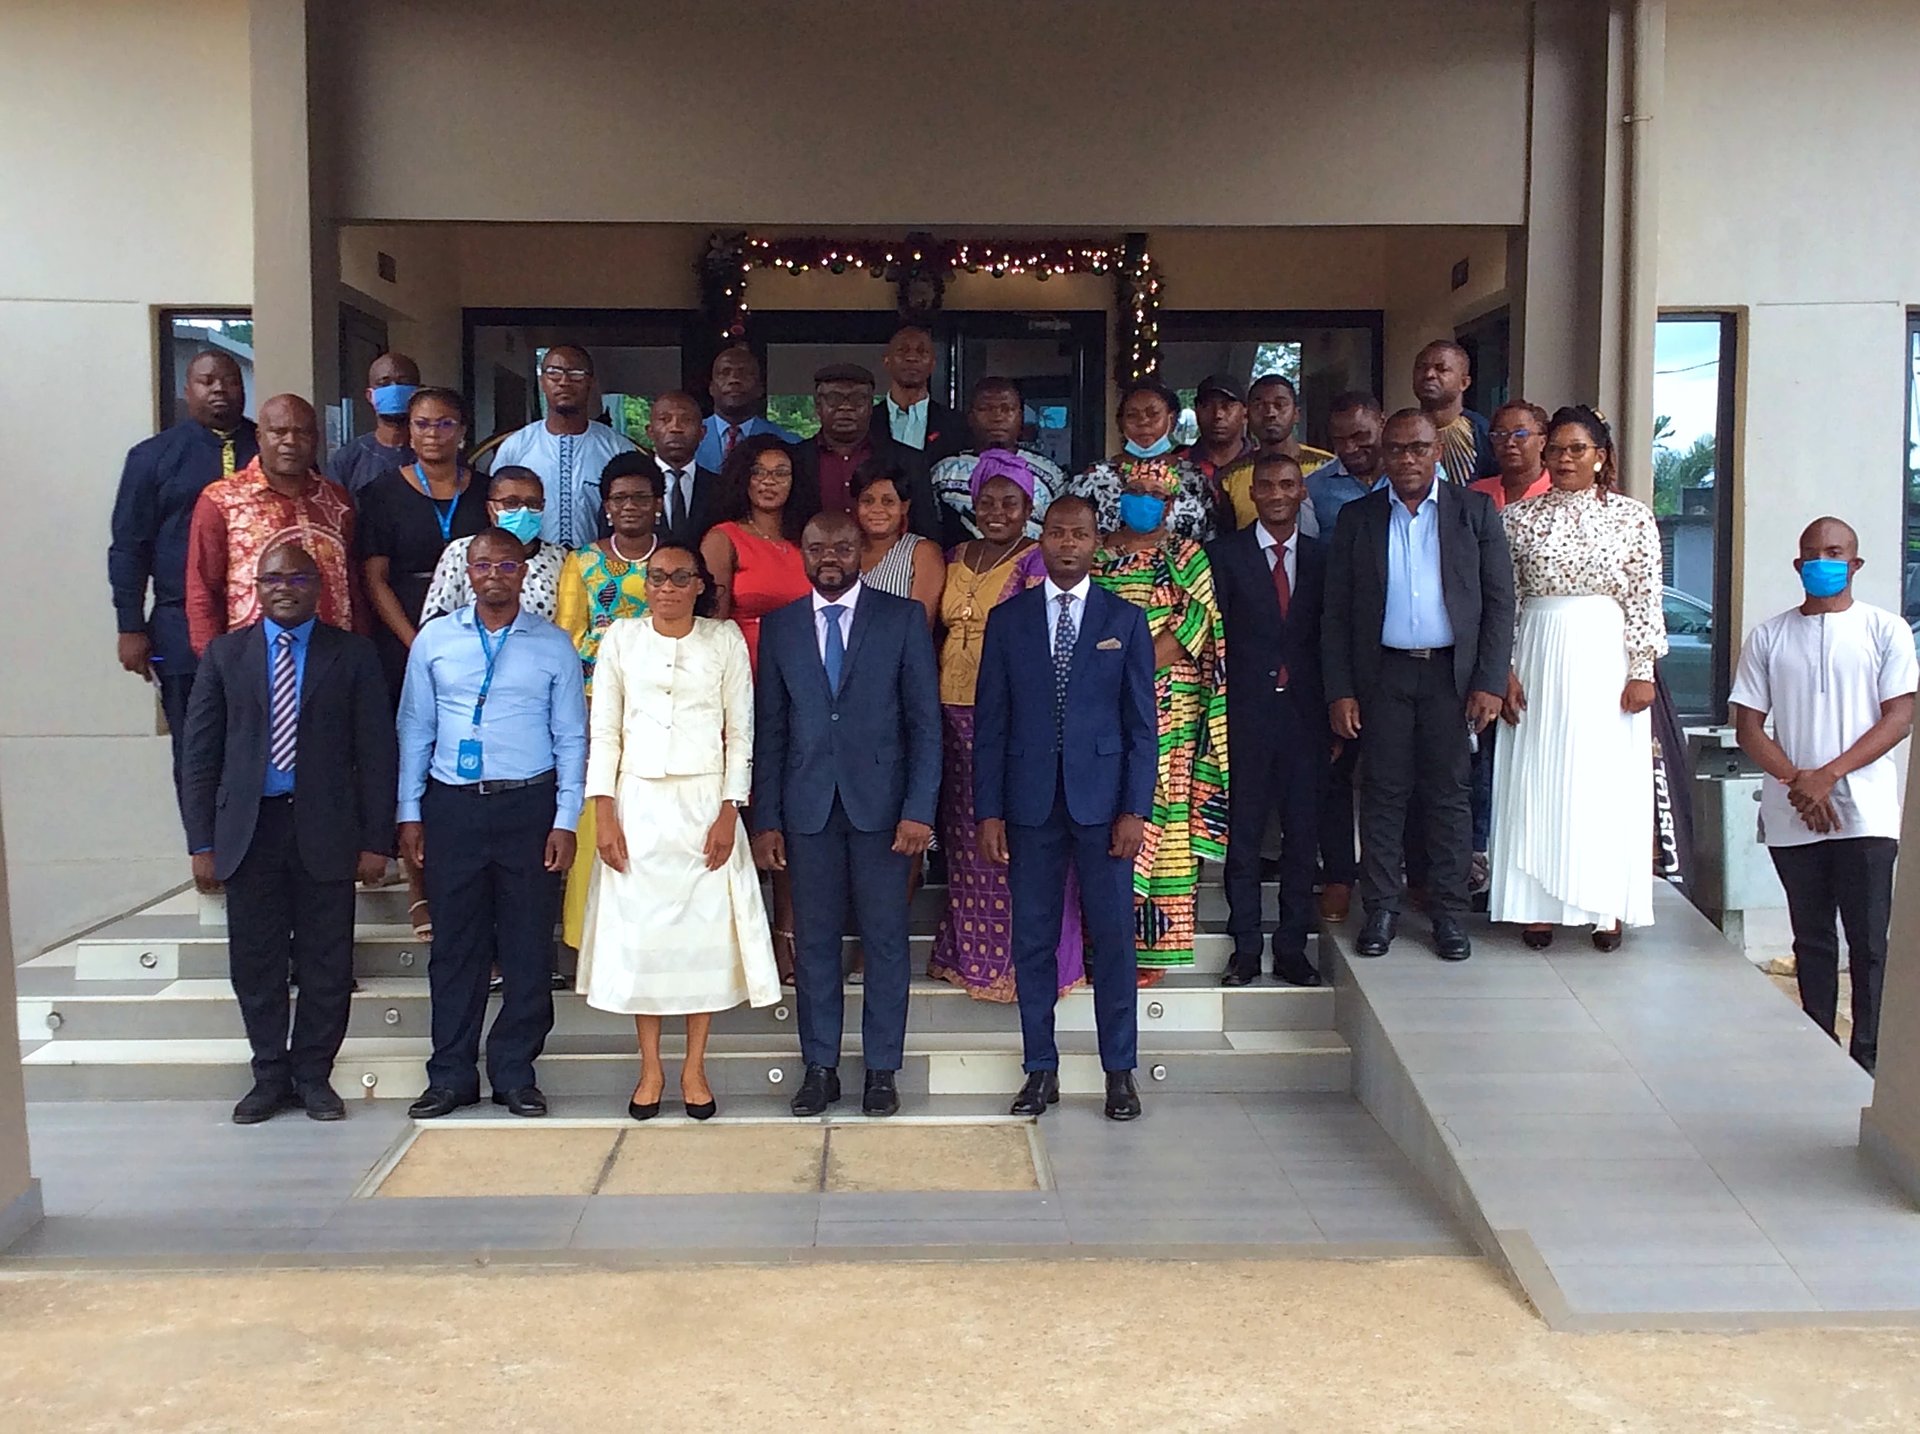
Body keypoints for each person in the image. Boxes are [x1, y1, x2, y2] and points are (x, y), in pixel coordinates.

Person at [181, 543, 396, 1124]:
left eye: (298, 578)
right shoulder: (226, 656)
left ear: (318, 587)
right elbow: (199, 756)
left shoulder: (351, 654)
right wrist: (202, 842)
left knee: (328, 961)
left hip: (326, 828)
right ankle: (269, 1076)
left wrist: (376, 840)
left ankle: (314, 1075)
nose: (284, 588)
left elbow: (377, 752)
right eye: (273, 579)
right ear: (256, 587)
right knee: (256, 963)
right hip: (249, 831)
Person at [576, 542, 780, 1120]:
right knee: (646, 941)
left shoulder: (724, 639)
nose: (666, 587)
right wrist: (604, 810)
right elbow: (605, 729)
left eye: (679, 577)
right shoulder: (621, 638)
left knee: (700, 942)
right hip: (637, 804)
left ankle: (694, 1067)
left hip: (705, 804)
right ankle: (650, 1068)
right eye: (657, 577)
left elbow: (741, 731)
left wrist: (730, 810)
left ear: (699, 584)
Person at [750, 512, 941, 1118]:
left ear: (862, 552)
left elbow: (925, 724)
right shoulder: (780, 626)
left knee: (885, 942)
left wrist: (919, 810)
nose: (829, 557)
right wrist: (766, 819)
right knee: (814, 943)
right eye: (816, 548)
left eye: (841, 547)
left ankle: (882, 1070)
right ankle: (820, 1067)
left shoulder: (901, 617)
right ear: (802, 554)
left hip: (885, 813)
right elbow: (771, 729)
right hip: (807, 810)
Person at [974, 494, 1156, 1121]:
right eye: (1057, 533)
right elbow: (991, 724)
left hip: (1104, 809)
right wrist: (989, 812)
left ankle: (1120, 1074)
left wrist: (1135, 809)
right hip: (1029, 806)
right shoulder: (1009, 619)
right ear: (1041, 539)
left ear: (1096, 543)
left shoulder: (1124, 619)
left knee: (1114, 940)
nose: (1068, 544)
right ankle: (1039, 1069)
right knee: (1033, 940)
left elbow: (1141, 726)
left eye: (1079, 534)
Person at [398, 529, 587, 1119]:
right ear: (468, 573)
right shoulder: (435, 640)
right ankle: (450, 1075)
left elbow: (571, 737)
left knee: (528, 946)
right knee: (455, 947)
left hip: (529, 806)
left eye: (507, 565)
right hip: (453, 806)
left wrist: (566, 818)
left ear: (523, 572)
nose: (495, 576)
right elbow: (415, 727)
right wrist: (409, 811)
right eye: (483, 566)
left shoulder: (553, 645)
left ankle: (514, 1072)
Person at [1323, 410, 1514, 962]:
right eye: (1397, 449)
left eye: (1419, 448)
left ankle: (1448, 912)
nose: (1407, 459)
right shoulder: (1359, 517)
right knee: (1382, 793)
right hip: (1382, 673)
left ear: (1437, 452)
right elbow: (1336, 612)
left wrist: (1489, 680)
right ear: (1383, 454)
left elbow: (1499, 602)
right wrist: (1340, 689)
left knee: (1449, 795)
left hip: (1450, 675)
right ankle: (1381, 908)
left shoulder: (1473, 511)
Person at [1732, 516, 1918, 1074]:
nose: (1823, 562)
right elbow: (1748, 727)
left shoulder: (1885, 630)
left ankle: (1869, 1057)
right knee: (1811, 940)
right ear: (1797, 565)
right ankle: (1816, 1052)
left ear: (1855, 564)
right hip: (1793, 814)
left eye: (1835, 552)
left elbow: (1899, 717)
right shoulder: (1769, 636)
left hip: (1867, 814)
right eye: (1812, 553)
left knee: (1869, 943)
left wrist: (1828, 775)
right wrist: (1799, 782)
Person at [1492, 406, 1667, 950]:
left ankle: (1604, 906)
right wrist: (1504, 668)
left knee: (1602, 780)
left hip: (1606, 660)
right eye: (1556, 450)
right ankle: (1536, 904)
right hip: (1538, 653)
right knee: (1538, 776)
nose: (1565, 459)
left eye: (1577, 449)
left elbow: (1645, 597)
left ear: (1600, 456)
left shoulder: (1633, 518)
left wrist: (1642, 669)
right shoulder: (1517, 519)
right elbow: (1505, 600)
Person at [928, 452, 1083, 1003]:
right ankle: (969, 954)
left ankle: (1021, 963)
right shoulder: (953, 556)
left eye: (1010, 503)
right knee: (963, 841)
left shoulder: (1036, 560)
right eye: (987, 502)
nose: (997, 512)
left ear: (1028, 508)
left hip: (1008, 717)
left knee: (1008, 841)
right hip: (948, 712)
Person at [1091, 459, 1229, 981]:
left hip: (1167, 698)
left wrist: (1131, 671)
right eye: (1135, 490)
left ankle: (1151, 951)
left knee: (1160, 813)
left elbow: (1195, 623)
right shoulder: (1097, 553)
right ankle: (1099, 942)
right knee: (1100, 808)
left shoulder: (1187, 556)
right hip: (1097, 697)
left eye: (1154, 493)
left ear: (1171, 505)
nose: (1143, 499)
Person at [109, 349, 257, 823]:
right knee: (196, 744)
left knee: (261, 740)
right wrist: (130, 625)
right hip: (179, 625)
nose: (219, 390)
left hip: (260, 623)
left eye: (230, 380)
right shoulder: (153, 457)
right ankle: (205, 846)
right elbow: (128, 546)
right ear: (186, 390)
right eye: (206, 381)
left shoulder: (269, 448)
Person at [1207, 454, 1330, 988]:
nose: (1277, 494)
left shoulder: (1325, 558)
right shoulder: (1223, 555)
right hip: (1243, 714)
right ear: (1251, 494)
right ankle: (1245, 947)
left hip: (1307, 716)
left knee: (1302, 836)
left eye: (1287, 485)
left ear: (1303, 492)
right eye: (1267, 486)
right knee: (1244, 835)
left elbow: (1333, 637)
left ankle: (1292, 947)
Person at [701, 435, 812, 983]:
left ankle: (788, 936)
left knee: (791, 818)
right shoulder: (724, 538)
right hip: (739, 691)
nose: (770, 482)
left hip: (802, 692)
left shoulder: (803, 541)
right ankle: (736, 942)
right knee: (740, 816)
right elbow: (711, 626)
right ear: (743, 479)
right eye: (760, 472)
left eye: (781, 472)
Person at [554, 456, 660, 954]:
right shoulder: (582, 562)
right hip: (595, 706)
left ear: (658, 505)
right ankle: (587, 939)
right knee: (596, 816)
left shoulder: (672, 560)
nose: (630, 506)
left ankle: (647, 940)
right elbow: (567, 639)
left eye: (640, 497)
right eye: (619, 498)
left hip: (660, 707)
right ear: (606, 506)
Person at [185, 394, 360, 655]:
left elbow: (353, 585)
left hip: (333, 659)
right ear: (259, 437)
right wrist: (213, 663)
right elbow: (202, 591)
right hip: (251, 661)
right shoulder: (222, 500)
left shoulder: (337, 500)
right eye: (279, 432)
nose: (291, 441)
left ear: (316, 438)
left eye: (302, 432)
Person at [1306, 391, 1388, 919]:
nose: (1353, 448)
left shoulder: (1421, 482)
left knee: (1398, 773)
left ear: (1382, 423)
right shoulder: (1316, 490)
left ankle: (1402, 879)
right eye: (1340, 440)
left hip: (1404, 648)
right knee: (1336, 767)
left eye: (1362, 435)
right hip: (1341, 643)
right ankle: (1338, 873)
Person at [357, 387, 491, 702]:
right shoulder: (382, 493)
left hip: (475, 632)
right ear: (410, 430)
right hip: (403, 631)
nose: (433, 433)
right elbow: (375, 579)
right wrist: (414, 642)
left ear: (462, 431)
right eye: (422, 424)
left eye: (445, 424)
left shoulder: (486, 491)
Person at [489, 344, 638, 548]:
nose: (564, 381)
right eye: (554, 373)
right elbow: (496, 509)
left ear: (591, 382)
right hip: (530, 562)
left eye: (576, 373)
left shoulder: (617, 448)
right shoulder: (516, 446)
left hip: (599, 563)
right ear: (542, 381)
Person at [793, 363, 941, 540]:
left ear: (871, 406)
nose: (846, 407)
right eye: (834, 398)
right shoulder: (794, 459)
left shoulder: (909, 461)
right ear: (818, 406)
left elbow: (927, 533)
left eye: (857, 399)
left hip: (889, 557)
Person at [1069, 379, 1217, 543]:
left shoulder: (1194, 478)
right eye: (1132, 415)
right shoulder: (1093, 479)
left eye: (1153, 414)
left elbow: (1211, 538)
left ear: (1172, 419)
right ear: (1120, 423)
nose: (1143, 422)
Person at [928, 376, 1068, 542]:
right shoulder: (943, 473)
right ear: (970, 417)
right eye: (986, 409)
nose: (997, 417)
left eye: (1007, 409)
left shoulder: (1050, 473)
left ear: (1020, 417)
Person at [420, 467, 567, 623]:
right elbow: (435, 622)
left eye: (533, 503)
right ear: (491, 508)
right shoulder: (462, 551)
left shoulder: (559, 558)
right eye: (511, 503)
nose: (523, 511)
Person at [1219, 375, 1336, 535]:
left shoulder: (1327, 466)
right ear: (1246, 415)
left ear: (1296, 414)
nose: (1270, 413)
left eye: (1280, 405)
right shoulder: (1230, 476)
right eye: (1259, 406)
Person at [853, 460, 946, 624]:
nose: (877, 509)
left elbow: (920, 624)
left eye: (888, 501)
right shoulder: (847, 551)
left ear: (904, 507)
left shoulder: (921, 552)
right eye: (867, 501)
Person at [326, 351, 418, 499]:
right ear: (370, 396)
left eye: (403, 382)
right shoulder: (348, 460)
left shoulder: (436, 454)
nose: (394, 389)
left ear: (418, 392)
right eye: (384, 384)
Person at [694, 344, 797, 473]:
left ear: (760, 389)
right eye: (725, 373)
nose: (734, 379)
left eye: (744, 373)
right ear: (711, 388)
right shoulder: (689, 437)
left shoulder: (788, 443)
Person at [872, 323, 963, 463]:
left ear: (933, 364)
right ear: (886, 361)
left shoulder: (956, 424)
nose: (912, 357)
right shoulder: (867, 421)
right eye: (902, 350)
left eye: (922, 351)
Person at [647, 390, 723, 548]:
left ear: (702, 433)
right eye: (664, 419)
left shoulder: (721, 489)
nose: (675, 428)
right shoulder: (629, 488)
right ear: (650, 431)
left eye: (686, 420)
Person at [1413, 340, 1496, 482]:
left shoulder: (1482, 432)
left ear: (1464, 383)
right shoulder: (1400, 430)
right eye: (1422, 367)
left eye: (1442, 369)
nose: (1429, 374)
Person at [1469, 400, 1553, 512]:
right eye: (1500, 434)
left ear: (1542, 442)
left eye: (1520, 434)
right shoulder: (1476, 493)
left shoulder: (1557, 491)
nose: (1509, 443)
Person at [1186, 374, 1255, 487]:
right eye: (1207, 406)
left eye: (1227, 406)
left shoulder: (1263, 466)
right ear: (1196, 413)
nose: (1218, 414)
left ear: (1245, 414)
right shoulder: (1175, 466)